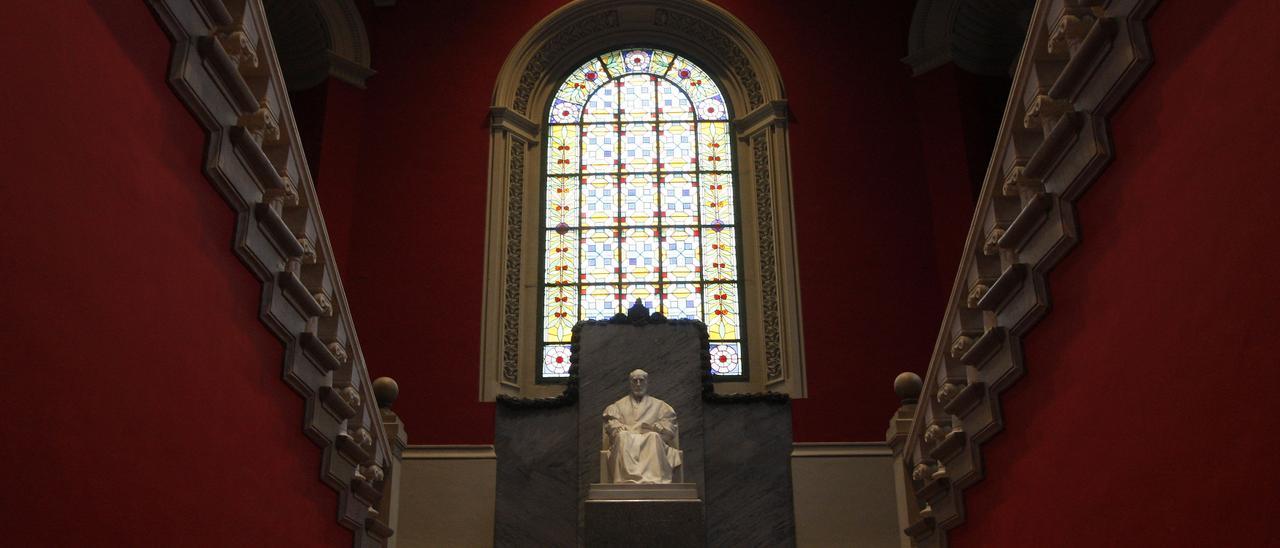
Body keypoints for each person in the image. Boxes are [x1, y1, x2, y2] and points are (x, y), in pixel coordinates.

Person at [603, 369, 681, 484]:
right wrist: (617, 427)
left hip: (651, 440)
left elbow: (669, 425)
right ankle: (625, 480)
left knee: (653, 437)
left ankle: (654, 479)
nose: (638, 384)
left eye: (641, 380)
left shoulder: (660, 405)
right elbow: (611, 422)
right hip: (627, 439)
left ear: (647, 382)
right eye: (635, 381)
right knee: (623, 436)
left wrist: (659, 427)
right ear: (630, 383)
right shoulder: (618, 405)